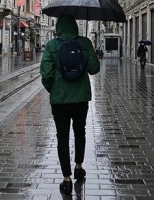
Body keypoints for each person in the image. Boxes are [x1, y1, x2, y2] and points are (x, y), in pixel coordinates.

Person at [39, 15, 100, 195]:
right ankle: (79, 167)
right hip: (81, 98)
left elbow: (46, 73)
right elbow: (94, 69)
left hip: (60, 100)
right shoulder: (85, 42)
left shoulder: (51, 45)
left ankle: (66, 180)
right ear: (75, 26)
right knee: (80, 132)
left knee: (62, 137)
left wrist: (54, 89)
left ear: (58, 27)